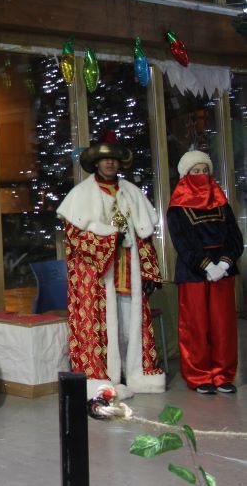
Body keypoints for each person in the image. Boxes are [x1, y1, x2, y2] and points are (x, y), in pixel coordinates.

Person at [56, 133, 164, 398]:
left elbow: (144, 237)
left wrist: (149, 270)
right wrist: (110, 240)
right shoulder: (80, 195)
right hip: (98, 279)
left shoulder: (132, 193)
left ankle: (136, 376)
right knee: (103, 329)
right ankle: (103, 381)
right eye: (105, 159)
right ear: (96, 163)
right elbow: (75, 237)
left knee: (130, 327)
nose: (110, 164)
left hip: (129, 275)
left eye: (114, 159)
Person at [166, 150, 243, 394]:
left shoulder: (223, 204)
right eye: (195, 171)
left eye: (205, 171)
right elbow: (183, 242)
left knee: (224, 326)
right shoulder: (177, 208)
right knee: (195, 327)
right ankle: (200, 376)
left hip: (223, 271)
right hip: (193, 272)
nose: (201, 175)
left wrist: (223, 264)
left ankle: (223, 374)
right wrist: (207, 265)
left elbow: (235, 238)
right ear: (185, 175)